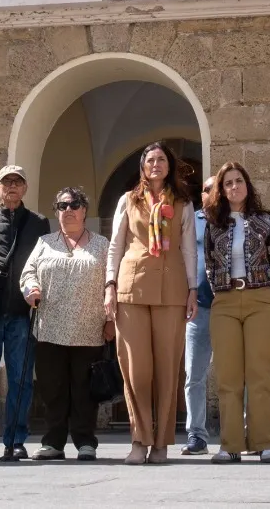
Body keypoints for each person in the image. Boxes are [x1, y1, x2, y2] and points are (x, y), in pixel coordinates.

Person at [106, 140, 198, 465]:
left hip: (172, 289)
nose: (155, 164)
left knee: (167, 368)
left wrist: (193, 289)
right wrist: (109, 285)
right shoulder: (127, 201)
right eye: (150, 160)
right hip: (131, 287)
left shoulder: (183, 204)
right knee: (137, 369)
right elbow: (116, 246)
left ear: (169, 166)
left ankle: (161, 443)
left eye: (161, 159)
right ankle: (138, 438)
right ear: (142, 167)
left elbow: (189, 249)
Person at [21, 187, 112, 460]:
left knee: (85, 390)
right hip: (50, 328)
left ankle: (86, 442)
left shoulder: (102, 244)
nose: (68, 210)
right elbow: (28, 272)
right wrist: (31, 288)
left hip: (89, 329)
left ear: (85, 210)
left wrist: (111, 320)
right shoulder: (44, 242)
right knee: (53, 389)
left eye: (74, 205)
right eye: (62, 206)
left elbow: (113, 283)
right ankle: (53, 443)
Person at [203, 161, 270, 464]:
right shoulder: (214, 224)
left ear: (247, 185)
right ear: (221, 191)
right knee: (228, 376)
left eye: (239, 181)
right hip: (224, 301)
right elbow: (210, 266)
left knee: (260, 374)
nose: (234, 186)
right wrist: (223, 291)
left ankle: (265, 443)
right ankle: (231, 444)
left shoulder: (266, 221)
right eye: (228, 183)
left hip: (260, 298)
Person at [0, 164, 48, 461]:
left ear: (24, 188)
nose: (12, 187)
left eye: (17, 182)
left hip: (20, 312)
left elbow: (42, 262)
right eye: (6, 182)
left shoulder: (38, 223)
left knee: (21, 378)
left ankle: (16, 438)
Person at [182, 175, 217, 456]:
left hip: (232, 305)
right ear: (201, 195)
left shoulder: (236, 219)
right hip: (199, 308)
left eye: (218, 188)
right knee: (194, 374)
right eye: (208, 189)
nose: (213, 193)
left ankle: (247, 433)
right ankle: (197, 435)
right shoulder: (190, 220)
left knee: (241, 373)